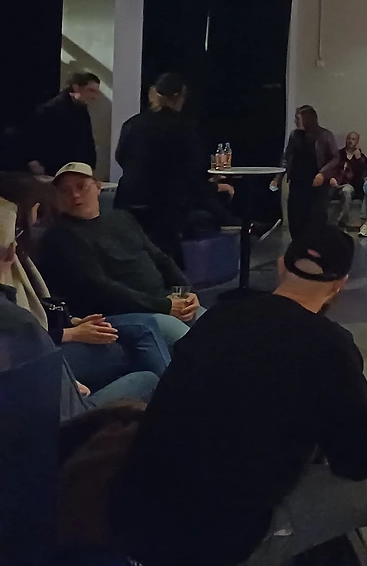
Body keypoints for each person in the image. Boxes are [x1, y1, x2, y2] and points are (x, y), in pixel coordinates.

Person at [112, 226, 367, 566]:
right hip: (218, 542)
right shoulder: (328, 343)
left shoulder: (218, 318)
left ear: (281, 265)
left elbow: (248, 402)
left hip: (141, 522)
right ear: (340, 285)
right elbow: (361, 459)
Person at [1, 196, 165, 417]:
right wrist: (70, 333)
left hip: (62, 339)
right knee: (146, 373)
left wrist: (70, 321)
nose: (76, 196)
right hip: (66, 423)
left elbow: (41, 311)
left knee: (137, 335)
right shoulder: (14, 316)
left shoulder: (122, 220)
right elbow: (34, 351)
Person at [36, 163, 200, 354]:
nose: (75, 195)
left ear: (98, 187)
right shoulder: (61, 236)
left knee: (212, 324)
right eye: (65, 191)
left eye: (81, 187)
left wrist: (187, 292)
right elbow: (100, 287)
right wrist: (164, 306)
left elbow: (160, 258)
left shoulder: (122, 218)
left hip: (160, 300)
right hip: (120, 311)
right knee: (194, 342)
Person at [115, 72, 236, 263]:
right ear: (180, 97)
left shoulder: (132, 124)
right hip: (165, 208)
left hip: (128, 202)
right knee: (210, 204)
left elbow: (121, 157)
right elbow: (190, 176)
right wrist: (214, 187)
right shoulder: (184, 129)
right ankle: (236, 225)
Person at [280, 105, 340, 241]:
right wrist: (278, 177)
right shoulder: (294, 136)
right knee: (295, 217)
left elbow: (335, 157)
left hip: (316, 185)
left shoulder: (324, 135)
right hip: (297, 182)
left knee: (315, 218)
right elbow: (287, 157)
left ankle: (314, 247)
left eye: (298, 118)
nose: (295, 121)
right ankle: (297, 246)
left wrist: (323, 173)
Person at [25, 71, 101, 176]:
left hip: (76, 170)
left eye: (96, 92)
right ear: (76, 87)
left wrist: (90, 166)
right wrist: (34, 161)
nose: (94, 96)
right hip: (54, 170)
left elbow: (87, 140)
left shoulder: (81, 110)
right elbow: (32, 137)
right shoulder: (51, 109)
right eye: (90, 90)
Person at [330, 131, 367, 229]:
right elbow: (330, 168)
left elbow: (363, 175)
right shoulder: (338, 154)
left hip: (350, 186)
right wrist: (331, 178)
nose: (350, 141)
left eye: (353, 139)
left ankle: (342, 222)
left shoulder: (361, 158)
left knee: (347, 190)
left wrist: (358, 158)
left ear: (357, 141)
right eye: (349, 138)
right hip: (334, 185)